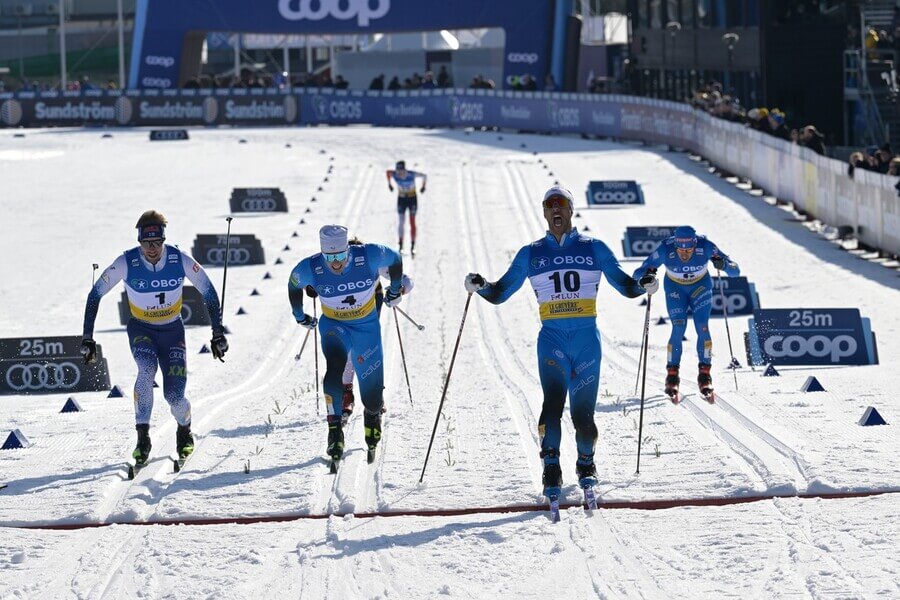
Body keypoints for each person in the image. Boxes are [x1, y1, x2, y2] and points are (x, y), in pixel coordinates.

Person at [464, 185, 647, 502]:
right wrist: (480, 286)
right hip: (552, 341)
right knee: (551, 406)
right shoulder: (531, 253)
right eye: (549, 205)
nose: (555, 210)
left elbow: (628, 288)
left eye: (561, 204)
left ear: (571, 210)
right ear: (545, 212)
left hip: (587, 341)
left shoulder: (594, 248)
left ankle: (586, 465)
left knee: (584, 419)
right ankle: (551, 468)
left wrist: (645, 284)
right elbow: (498, 294)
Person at [80, 210, 227, 466]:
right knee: (146, 369)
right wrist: (88, 338)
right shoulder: (126, 262)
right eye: (146, 244)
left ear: (163, 240)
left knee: (174, 396)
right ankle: (142, 437)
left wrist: (217, 333)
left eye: (157, 243)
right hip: (142, 329)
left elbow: (209, 291)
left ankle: (184, 428)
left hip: (172, 331)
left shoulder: (179, 259)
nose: (152, 249)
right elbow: (95, 295)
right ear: (139, 242)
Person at [288, 225, 405, 467]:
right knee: (335, 369)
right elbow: (293, 283)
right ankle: (334, 429)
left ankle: (372, 417)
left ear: (348, 251)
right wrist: (299, 315)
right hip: (334, 326)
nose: (336, 263)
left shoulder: (368, 255)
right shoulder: (311, 267)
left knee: (372, 394)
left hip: (366, 329)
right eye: (330, 257)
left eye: (340, 256)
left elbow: (395, 258)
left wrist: (394, 290)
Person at [304, 236, 415, 423]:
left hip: (369, 307)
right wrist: (311, 288)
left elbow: (407, 280)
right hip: (340, 313)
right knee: (345, 351)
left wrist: (397, 290)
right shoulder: (334, 264)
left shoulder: (372, 263)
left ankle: (374, 396)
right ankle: (346, 392)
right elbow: (313, 280)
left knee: (366, 350)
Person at [632, 226, 740, 403]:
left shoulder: (705, 246)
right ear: (675, 245)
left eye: (689, 250)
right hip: (675, 288)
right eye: (681, 250)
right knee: (678, 327)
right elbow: (638, 272)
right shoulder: (665, 248)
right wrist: (647, 275)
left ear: (695, 244)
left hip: (701, 287)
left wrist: (724, 264)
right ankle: (672, 376)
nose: (684, 254)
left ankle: (705, 376)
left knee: (702, 327)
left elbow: (736, 271)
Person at [385, 160, 427, 255]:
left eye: (401, 171)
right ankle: (401, 245)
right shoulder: (394, 174)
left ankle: (412, 246)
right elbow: (388, 172)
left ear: (405, 169)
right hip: (401, 199)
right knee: (401, 222)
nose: (400, 174)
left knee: (412, 222)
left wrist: (423, 187)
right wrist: (389, 184)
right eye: (398, 171)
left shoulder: (411, 174)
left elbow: (424, 176)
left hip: (412, 199)